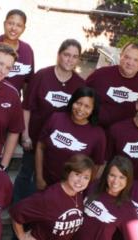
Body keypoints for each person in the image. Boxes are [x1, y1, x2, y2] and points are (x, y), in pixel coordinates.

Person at [14, 39, 85, 201]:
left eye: (75, 56)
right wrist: (25, 136)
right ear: (59, 55)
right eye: (67, 55)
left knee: (47, 182)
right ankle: (17, 207)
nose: (70, 60)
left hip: (59, 144)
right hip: (34, 139)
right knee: (26, 174)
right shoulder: (42, 76)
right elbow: (26, 108)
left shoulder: (80, 84)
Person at [9, 154, 94, 240]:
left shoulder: (78, 194)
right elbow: (17, 212)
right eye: (77, 174)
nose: (80, 181)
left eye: (86, 177)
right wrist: (22, 236)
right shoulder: (48, 198)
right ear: (68, 172)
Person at [36, 86, 106, 190]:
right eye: (78, 103)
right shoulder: (55, 118)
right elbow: (40, 147)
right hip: (45, 183)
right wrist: (39, 178)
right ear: (72, 102)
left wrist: (82, 187)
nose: (81, 109)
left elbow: (96, 166)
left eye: (87, 106)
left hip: (73, 190)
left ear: (93, 110)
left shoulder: (98, 134)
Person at [70, 155, 138, 240]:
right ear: (106, 174)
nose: (115, 181)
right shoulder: (92, 185)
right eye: (112, 175)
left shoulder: (127, 208)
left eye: (122, 177)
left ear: (128, 179)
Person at [87, 42, 138, 129]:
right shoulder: (100, 75)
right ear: (120, 56)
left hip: (125, 136)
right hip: (95, 129)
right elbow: (80, 96)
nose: (130, 62)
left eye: (136, 60)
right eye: (127, 57)